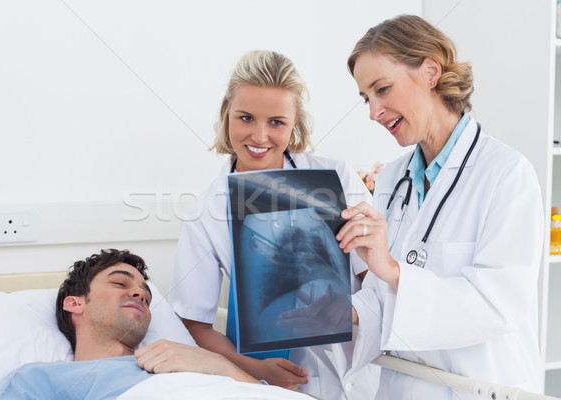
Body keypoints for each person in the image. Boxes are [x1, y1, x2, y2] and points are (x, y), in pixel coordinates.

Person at [337, 14, 543, 398]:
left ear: (430, 70)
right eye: (366, 98)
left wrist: (394, 270)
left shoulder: (506, 174)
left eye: (383, 89)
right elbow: (386, 299)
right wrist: (341, 313)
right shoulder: (391, 179)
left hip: (478, 389)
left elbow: (498, 306)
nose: (372, 112)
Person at [168, 50, 379, 400]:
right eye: (246, 118)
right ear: (227, 116)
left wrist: (352, 309)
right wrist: (249, 368)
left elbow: (374, 273)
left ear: (295, 123)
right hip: (267, 377)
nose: (260, 136)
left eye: (277, 122)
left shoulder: (337, 178)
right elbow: (193, 323)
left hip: (357, 366)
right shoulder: (204, 213)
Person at [0, 249, 265, 399]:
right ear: (75, 303)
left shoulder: (193, 363)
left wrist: (220, 365)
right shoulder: (40, 380)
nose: (140, 294)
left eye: (146, 294)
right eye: (120, 283)